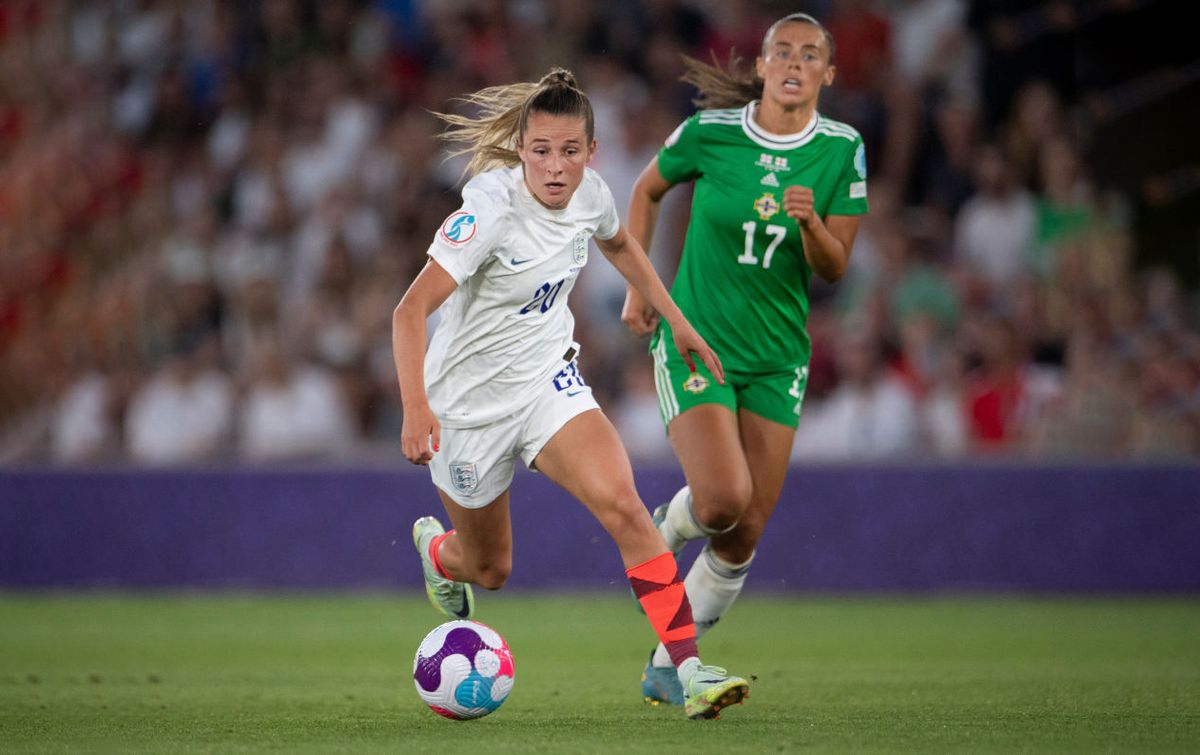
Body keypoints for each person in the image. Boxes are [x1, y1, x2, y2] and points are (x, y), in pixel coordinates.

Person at [392, 69, 749, 720]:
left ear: (591, 152)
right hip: (465, 408)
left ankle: (687, 669)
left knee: (626, 506)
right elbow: (410, 311)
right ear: (521, 151)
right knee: (490, 567)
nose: (556, 167)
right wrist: (416, 406)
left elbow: (619, 242)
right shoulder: (489, 214)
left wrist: (676, 317)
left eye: (569, 151)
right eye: (541, 151)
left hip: (546, 383)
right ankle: (439, 553)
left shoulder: (592, 194)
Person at [621, 13, 869, 705]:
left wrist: (812, 224)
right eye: (781, 51)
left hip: (779, 357)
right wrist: (644, 291)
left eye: (810, 54)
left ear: (829, 73)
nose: (794, 62)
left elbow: (836, 267)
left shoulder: (842, 149)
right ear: (760, 66)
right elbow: (645, 191)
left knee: (743, 530)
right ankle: (664, 537)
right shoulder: (711, 134)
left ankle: (666, 667)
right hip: (698, 342)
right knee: (724, 498)